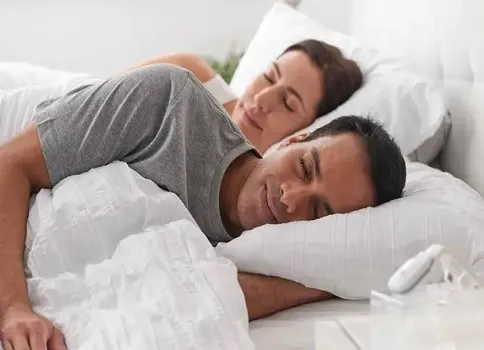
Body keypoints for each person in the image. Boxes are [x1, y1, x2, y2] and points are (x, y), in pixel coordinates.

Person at [0, 63, 405, 350]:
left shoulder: (275, 260)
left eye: (318, 211)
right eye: (303, 167)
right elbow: (10, 164)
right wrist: (14, 308)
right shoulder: (170, 102)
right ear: (292, 142)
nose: (290, 198)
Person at [134, 39, 363, 153]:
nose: (262, 99)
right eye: (270, 77)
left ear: (303, 131)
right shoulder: (187, 74)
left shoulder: (251, 205)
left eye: (288, 104)